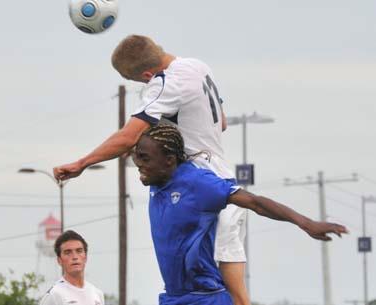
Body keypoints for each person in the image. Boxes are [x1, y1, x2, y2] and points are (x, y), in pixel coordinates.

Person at [54, 34, 252, 305]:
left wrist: (81, 164)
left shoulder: (163, 84)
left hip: (194, 190)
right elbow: (224, 123)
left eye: (141, 81)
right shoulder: (197, 66)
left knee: (190, 285)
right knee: (235, 293)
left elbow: (129, 136)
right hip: (224, 181)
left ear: (147, 74)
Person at [132, 124, 347, 305]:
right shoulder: (157, 179)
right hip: (173, 298)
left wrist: (306, 223)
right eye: (136, 157)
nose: (138, 164)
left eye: (144, 159)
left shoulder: (198, 184)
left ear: (169, 160)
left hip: (205, 298)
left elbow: (255, 203)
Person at [40, 230, 105, 305]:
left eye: (79, 251)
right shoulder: (54, 295)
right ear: (59, 260)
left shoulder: (97, 294)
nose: (74, 257)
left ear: (85, 257)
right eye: (68, 252)